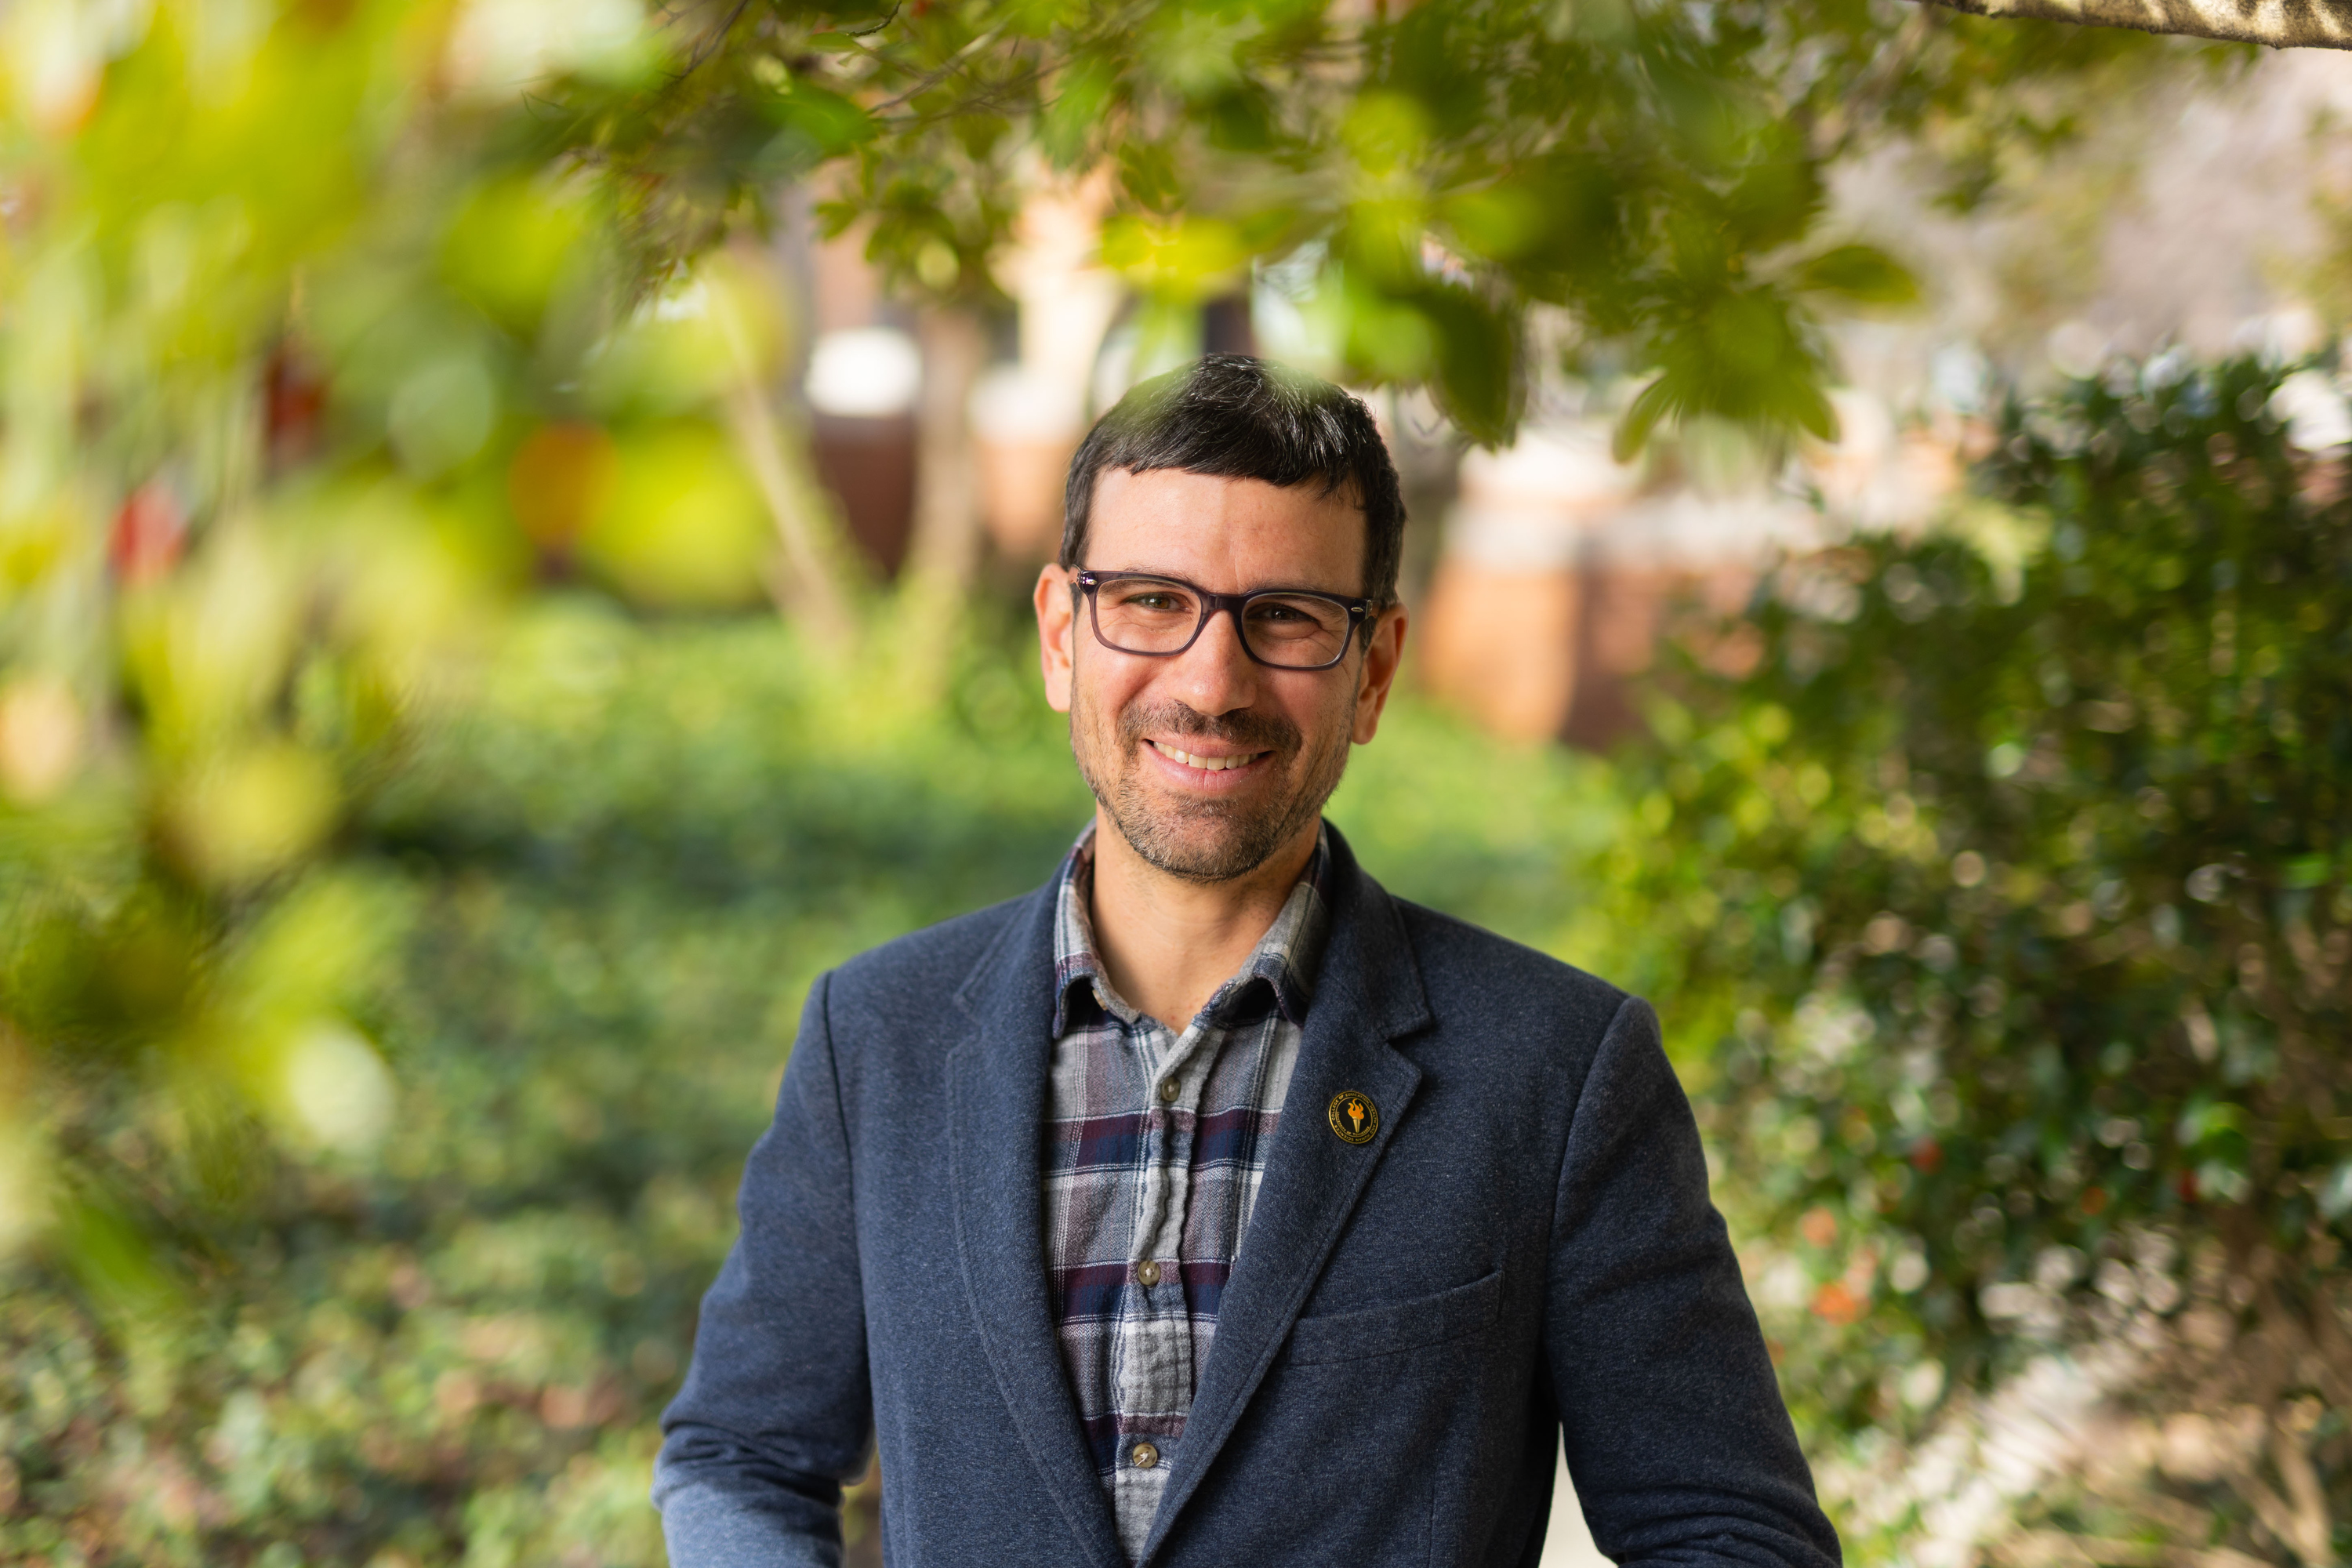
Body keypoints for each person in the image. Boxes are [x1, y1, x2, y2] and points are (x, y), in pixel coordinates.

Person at [653, 355, 1841, 1568]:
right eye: (1154, 603)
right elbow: (742, 1455)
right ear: (1064, 634)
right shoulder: (877, 1038)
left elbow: (1729, 1532)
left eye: (1284, 616)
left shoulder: (1559, 1073)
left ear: (1372, 669)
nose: (1212, 684)